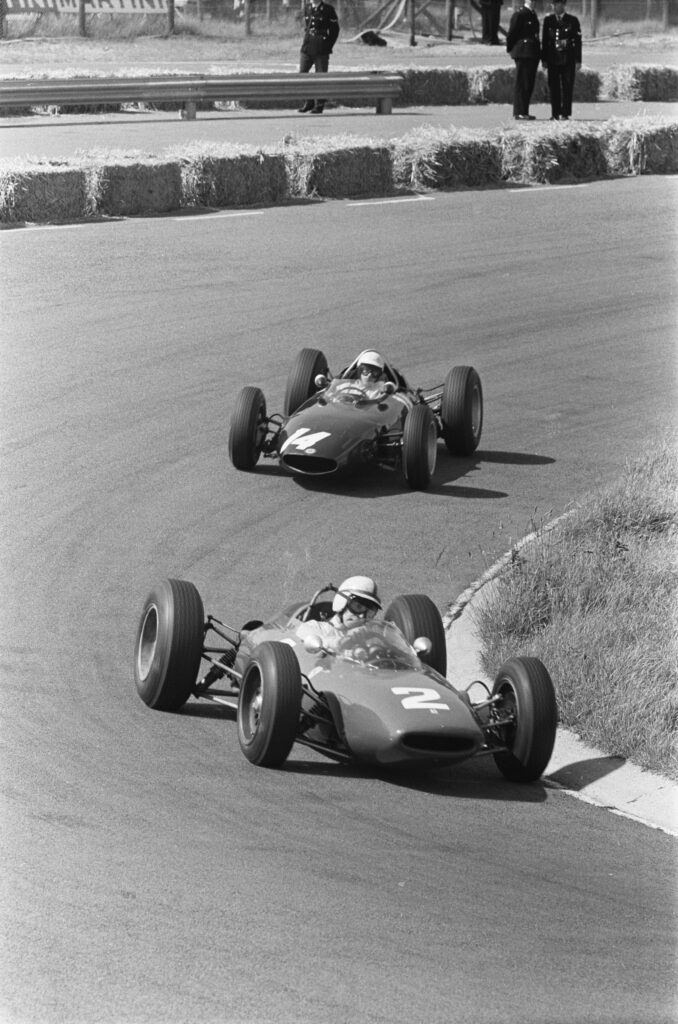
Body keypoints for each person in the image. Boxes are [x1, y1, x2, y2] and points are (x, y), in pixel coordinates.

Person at [296, 576, 381, 649]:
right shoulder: (315, 627)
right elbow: (302, 632)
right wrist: (342, 641)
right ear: (342, 602)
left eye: (370, 612)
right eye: (358, 607)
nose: (362, 616)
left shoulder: (368, 638)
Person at [541, 0, 582, 121]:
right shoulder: (548, 20)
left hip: (568, 58)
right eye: (553, 4)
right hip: (553, 58)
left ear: (563, 5)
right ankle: (555, 113)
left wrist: (578, 60)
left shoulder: (572, 20)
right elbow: (545, 41)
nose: (555, 6)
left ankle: (565, 113)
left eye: (557, 4)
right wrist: (544, 59)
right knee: (553, 86)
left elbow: (577, 42)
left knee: (567, 86)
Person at [297, 0, 340, 115]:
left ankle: (319, 104)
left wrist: (327, 45)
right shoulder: (307, 7)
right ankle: (308, 101)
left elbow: (335, 30)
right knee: (302, 75)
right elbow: (307, 26)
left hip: (321, 48)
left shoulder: (328, 9)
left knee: (321, 76)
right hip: (307, 46)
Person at [506, 0, 541, 121]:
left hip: (532, 52)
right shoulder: (520, 14)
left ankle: (524, 111)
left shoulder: (532, 14)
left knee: (528, 83)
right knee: (522, 83)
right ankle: (519, 112)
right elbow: (512, 33)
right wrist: (511, 49)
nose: (533, 2)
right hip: (523, 52)